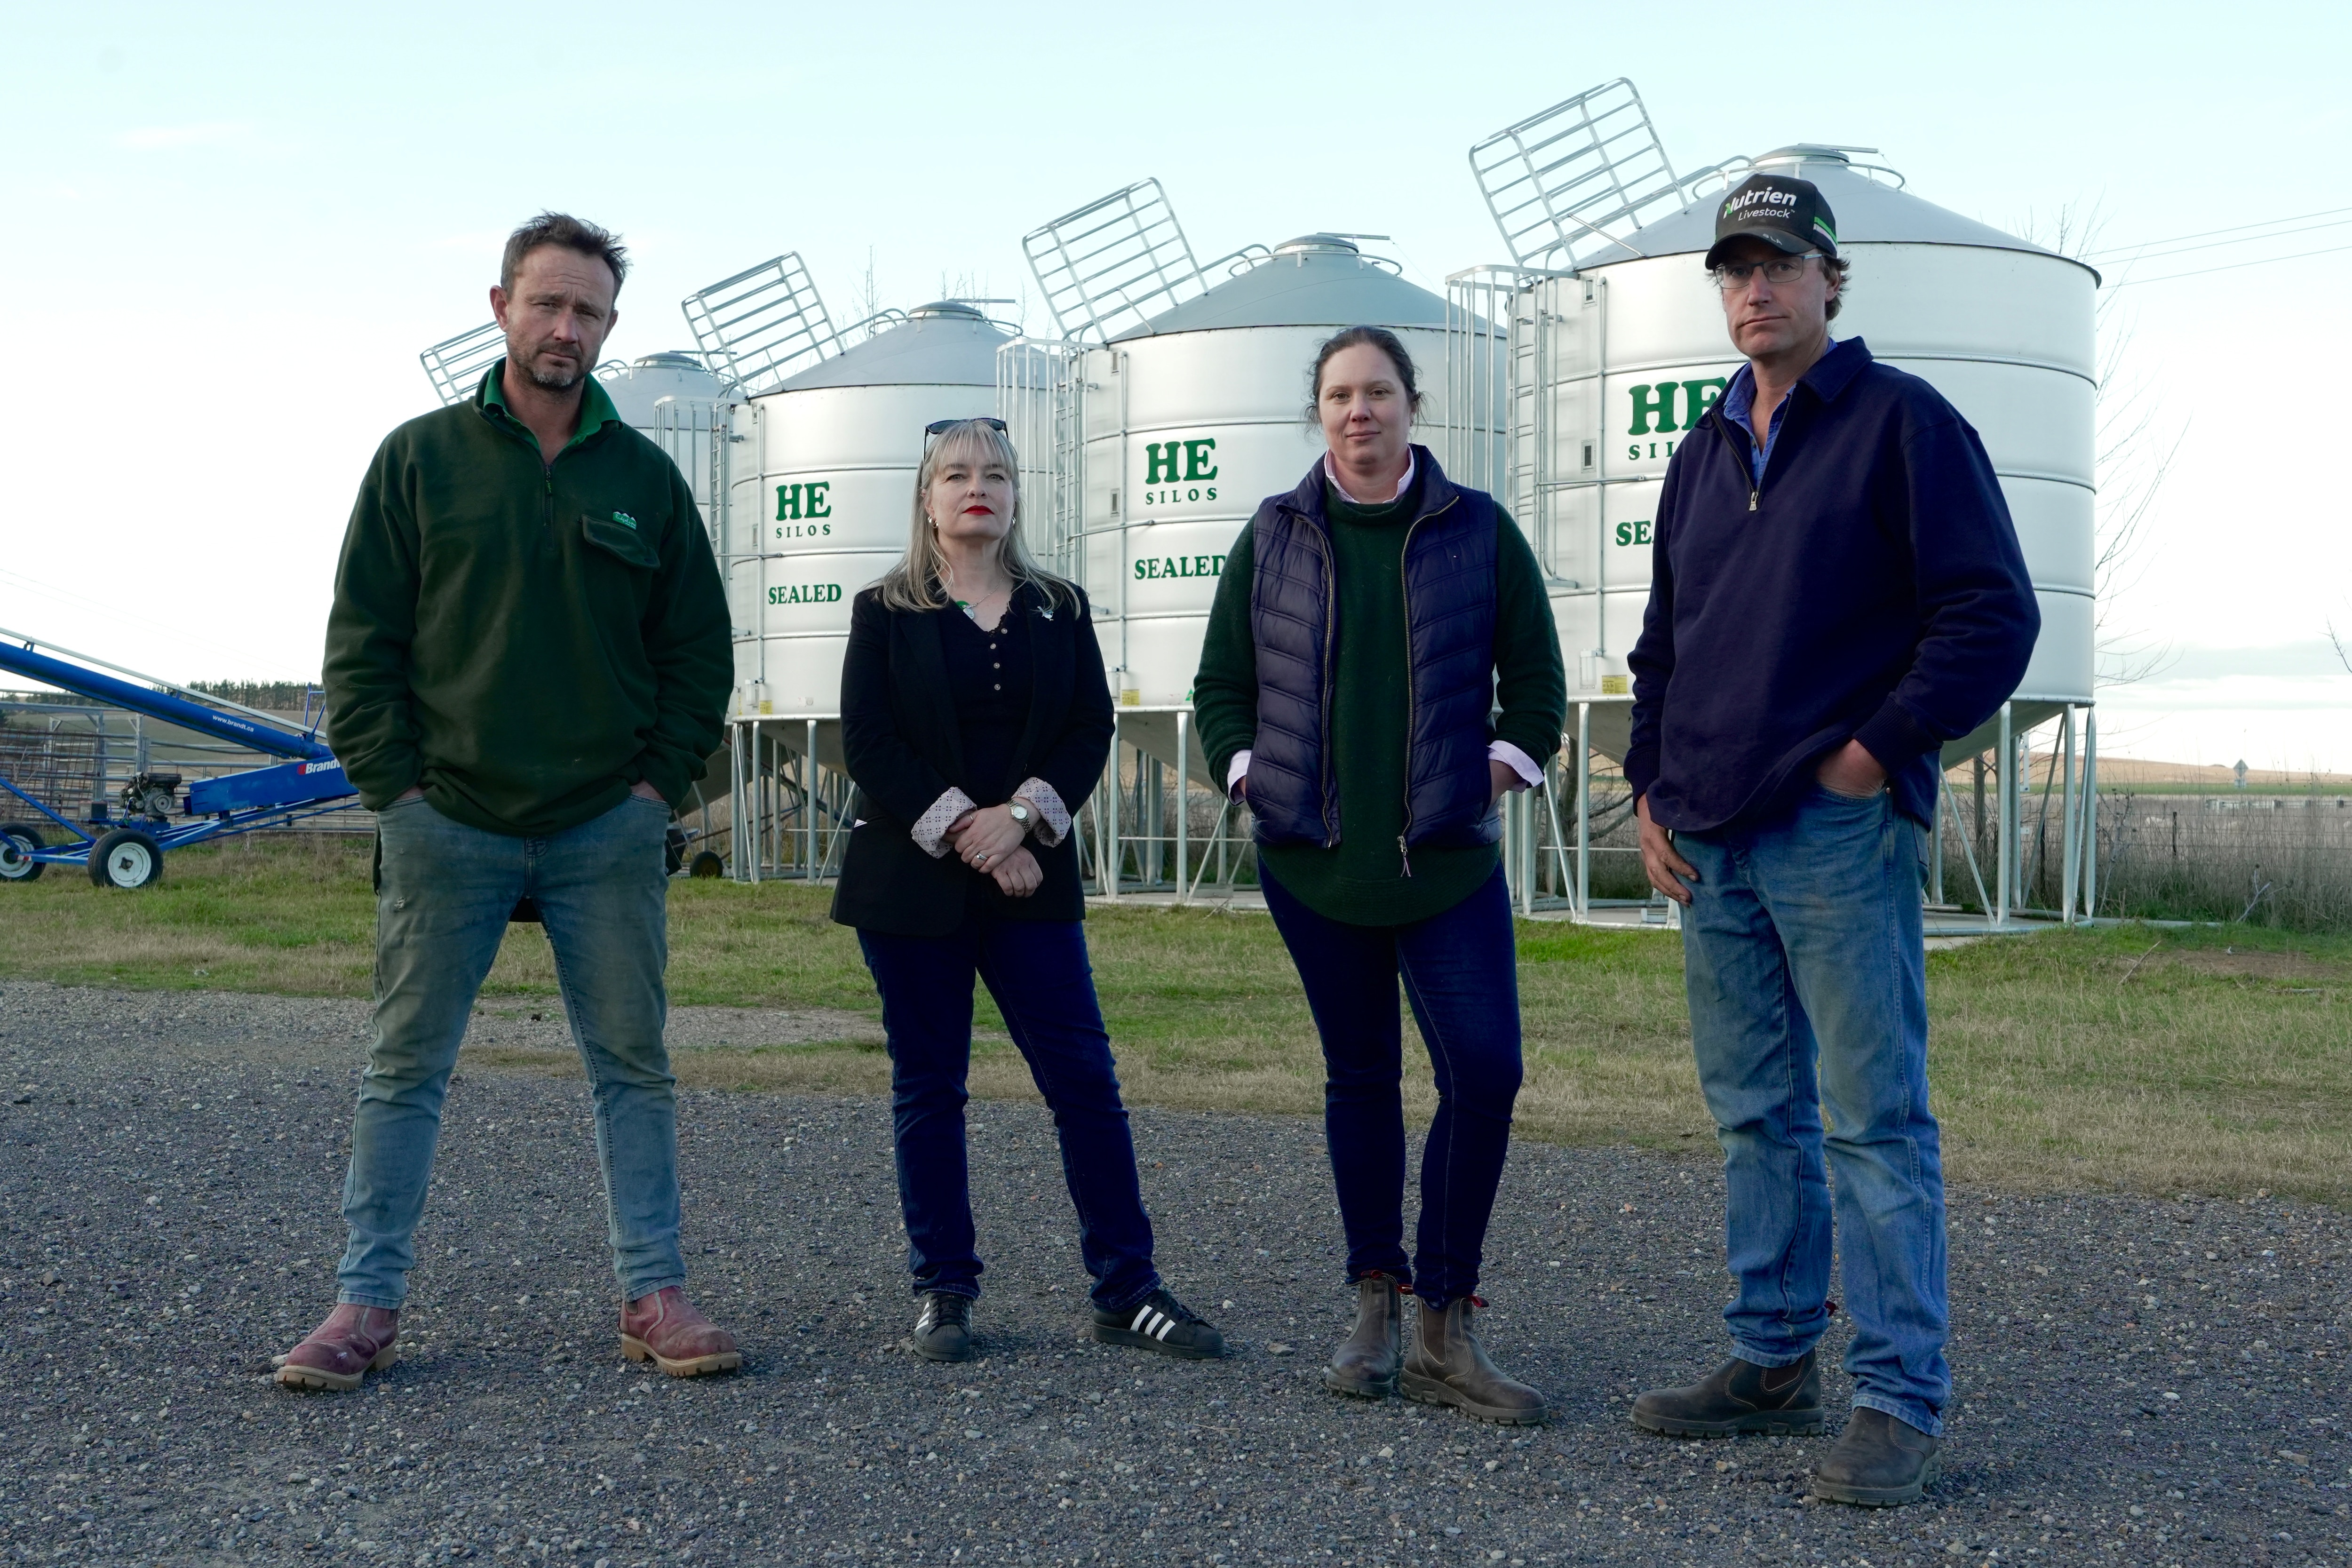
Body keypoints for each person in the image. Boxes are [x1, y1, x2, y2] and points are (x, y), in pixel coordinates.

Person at [1622, 175, 2039, 1505]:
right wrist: (1647, 787)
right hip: (1711, 834)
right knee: (1756, 1110)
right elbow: (1664, 646)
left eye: (1780, 265)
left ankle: (1900, 1396)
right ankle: (1771, 1359)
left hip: (1830, 828)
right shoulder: (1702, 446)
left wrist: (1873, 752)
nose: (1756, 288)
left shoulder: (1903, 423)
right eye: (1736, 268)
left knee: (1872, 1117)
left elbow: (1989, 614)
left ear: (1830, 279)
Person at [281, 213, 738, 1391]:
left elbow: (696, 648)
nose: (564, 328)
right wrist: (400, 793)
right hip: (453, 822)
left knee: (632, 1063)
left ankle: (655, 1293)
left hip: (604, 824)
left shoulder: (644, 479)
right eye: (546, 304)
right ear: (500, 307)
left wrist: (655, 789)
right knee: (404, 1064)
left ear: (609, 329)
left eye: (587, 312)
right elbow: (362, 643)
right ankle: (364, 1306)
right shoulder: (421, 458)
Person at [1192, 327, 1566, 1423]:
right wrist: (1248, 769)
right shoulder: (1272, 536)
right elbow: (1221, 683)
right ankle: (1376, 1302)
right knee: (1359, 1081)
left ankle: (1448, 1319)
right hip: (1313, 867)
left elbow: (1536, 680)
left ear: (1413, 404)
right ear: (1319, 411)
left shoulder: (1476, 530)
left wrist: (1495, 766)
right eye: (1340, 395)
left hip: (1444, 865)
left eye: (1379, 392)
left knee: (1485, 1073)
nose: (1360, 411)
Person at [834, 416, 1224, 1365]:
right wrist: (975, 831)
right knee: (929, 1087)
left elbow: (1089, 727)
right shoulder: (883, 609)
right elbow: (871, 741)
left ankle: (1126, 1288)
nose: (979, 487)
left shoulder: (1060, 606)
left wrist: (1023, 820)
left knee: (1084, 1081)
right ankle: (944, 1288)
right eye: (957, 474)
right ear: (926, 499)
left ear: (1016, 497)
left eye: (997, 474)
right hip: (910, 889)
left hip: (1032, 881)